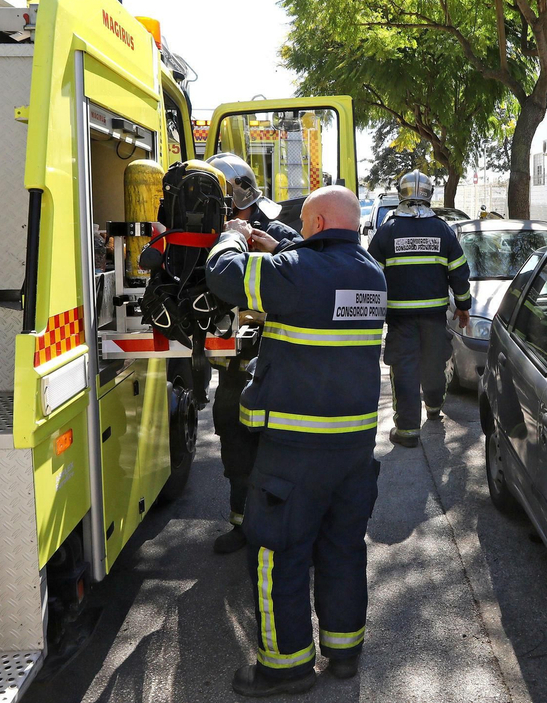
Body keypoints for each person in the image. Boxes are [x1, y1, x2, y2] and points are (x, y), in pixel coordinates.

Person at [206, 185, 386, 696]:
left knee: (277, 554)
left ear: (321, 221)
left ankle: (283, 670)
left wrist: (233, 236)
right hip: (353, 451)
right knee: (342, 550)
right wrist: (279, 238)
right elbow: (315, 258)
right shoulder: (371, 274)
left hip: (294, 453)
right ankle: (344, 653)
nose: (301, 232)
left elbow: (225, 277)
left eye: (306, 223)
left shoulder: (295, 274)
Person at [205, 152, 302, 555]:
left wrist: (273, 244)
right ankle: (242, 523)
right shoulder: (208, 232)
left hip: (271, 358)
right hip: (229, 362)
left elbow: (304, 264)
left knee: (276, 443)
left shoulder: (274, 227)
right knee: (231, 432)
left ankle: (282, 525)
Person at [368, 171, 471, 447]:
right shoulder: (443, 230)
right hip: (435, 318)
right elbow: (459, 273)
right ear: (430, 194)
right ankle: (434, 409)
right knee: (435, 362)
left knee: (405, 370)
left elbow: (372, 278)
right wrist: (464, 306)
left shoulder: (386, 231)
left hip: (400, 320)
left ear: (400, 193)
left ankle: (408, 431)